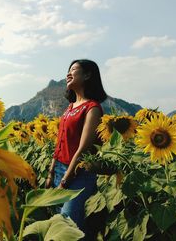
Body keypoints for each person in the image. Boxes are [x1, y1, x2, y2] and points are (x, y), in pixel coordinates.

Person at [45, 59, 107, 236]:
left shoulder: (92, 108)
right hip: (59, 170)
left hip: (78, 174)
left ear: (87, 75)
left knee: (69, 225)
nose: (68, 74)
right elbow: (60, 143)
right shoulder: (70, 107)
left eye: (74, 70)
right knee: (60, 223)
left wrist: (65, 180)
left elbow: (84, 148)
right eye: (68, 70)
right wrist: (51, 172)